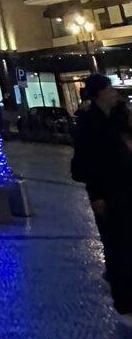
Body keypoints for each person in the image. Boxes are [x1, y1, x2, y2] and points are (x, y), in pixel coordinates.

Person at [71, 72, 132, 321]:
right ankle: (124, 297)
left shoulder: (120, 116)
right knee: (116, 244)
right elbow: (86, 163)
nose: (114, 93)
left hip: (128, 186)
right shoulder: (88, 123)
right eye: (109, 89)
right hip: (106, 192)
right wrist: (96, 196)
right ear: (98, 94)